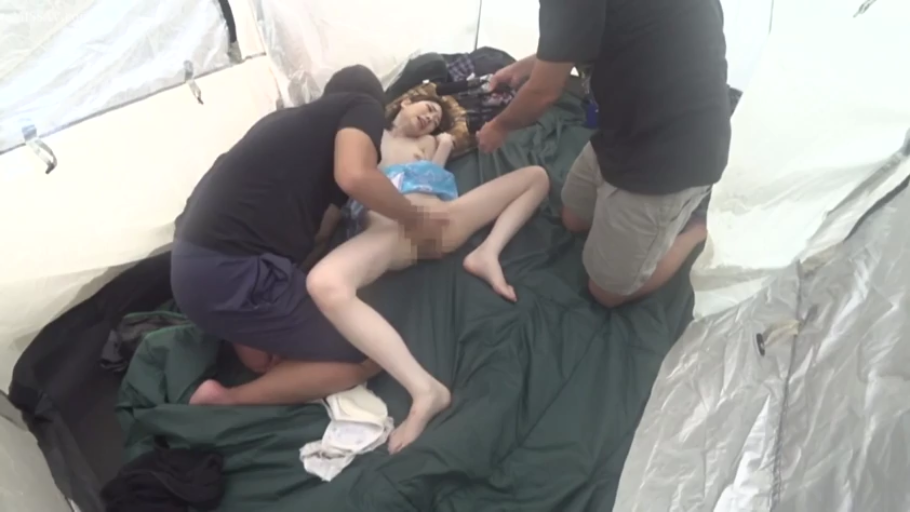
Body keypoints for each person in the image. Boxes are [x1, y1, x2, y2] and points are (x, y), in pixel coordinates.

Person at [170, 65, 449, 408]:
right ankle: (226, 398)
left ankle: (248, 336)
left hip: (188, 271)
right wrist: (415, 219)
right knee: (369, 351)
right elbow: (355, 176)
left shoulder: (280, 125)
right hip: (231, 274)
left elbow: (320, 234)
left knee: (274, 342)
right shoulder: (361, 105)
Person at [305, 89, 550, 453]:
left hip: (442, 220)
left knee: (537, 176)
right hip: (393, 232)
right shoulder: (368, 136)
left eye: (437, 119)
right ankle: (425, 389)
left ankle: (487, 253)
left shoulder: (433, 143)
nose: (431, 118)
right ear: (405, 102)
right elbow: (341, 188)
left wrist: (445, 143)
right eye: (429, 108)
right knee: (324, 283)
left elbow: (438, 166)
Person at [476, 0, 731, 308]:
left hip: (675, 153)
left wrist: (499, 127)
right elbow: (588, 30)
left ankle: (695, 227)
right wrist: (528, 66)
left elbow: (543, 91)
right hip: (624, 125)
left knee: (606, 292)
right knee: (573, 219)